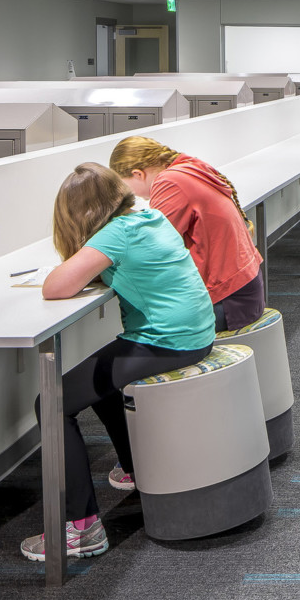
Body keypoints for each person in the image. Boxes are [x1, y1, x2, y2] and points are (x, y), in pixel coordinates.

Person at [23, 163, 214, 562]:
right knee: (99, 381)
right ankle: (134, 470)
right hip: (193, 331)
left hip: (167, 342)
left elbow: (55, 286)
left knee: (52, 402)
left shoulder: (116, 234)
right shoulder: (145, 212)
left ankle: (82, 528)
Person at [108, 136, 264, 331]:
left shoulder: (170, 182)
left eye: (126, 186)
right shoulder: (187, 168)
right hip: (244, 290)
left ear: (138, 174)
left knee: (144, 328)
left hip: (229, 302)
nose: (134, 196)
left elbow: (150, 246)